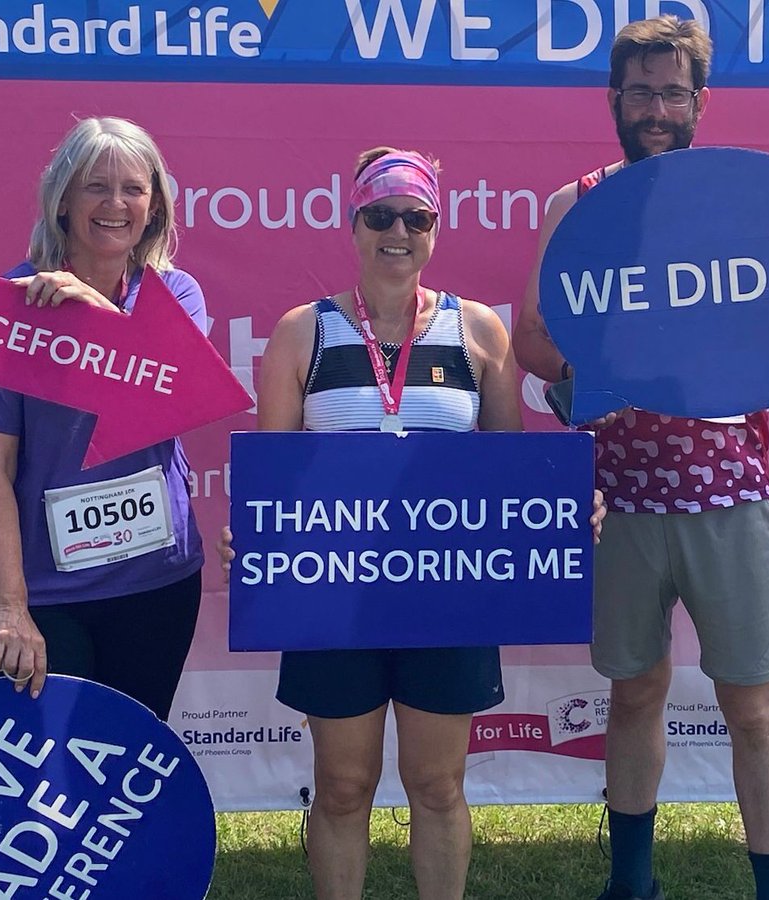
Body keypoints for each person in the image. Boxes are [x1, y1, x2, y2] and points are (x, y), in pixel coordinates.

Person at [512, 16, 769, 900]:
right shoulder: (576, 205)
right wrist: (614, 367)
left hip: (729, 492)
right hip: (620, 497)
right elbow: (531, 344)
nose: (657, 109)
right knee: (632, 696)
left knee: (753, 707)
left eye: (674, 92)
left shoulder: (745, 201)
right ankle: (632, 884)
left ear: (700, 101)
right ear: (614, 100)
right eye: (640, 92)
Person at [220, 147, 602, 900]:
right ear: (354, 223)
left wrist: (558, 514)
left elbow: (506, 475)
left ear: (435, 228)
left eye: (415, 216)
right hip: (334, 599)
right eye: (380, 215)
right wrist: (253, 537)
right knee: (341, 786)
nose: (398, 230)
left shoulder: (478, 332)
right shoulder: (304, 332)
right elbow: (271, 478)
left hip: (447, 597)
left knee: (435, 785)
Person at [0, 116, 206, 719]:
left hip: (154, 586)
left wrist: (90, 308)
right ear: (62, 199)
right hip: (37, 598)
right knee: (34, 787)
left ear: (155, 206)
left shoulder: (179, 294)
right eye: (96, 186)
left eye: (134, 189)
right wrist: (10, 609)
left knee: (124, 779)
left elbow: (173, 392)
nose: (115, 204)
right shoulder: (6, 307)